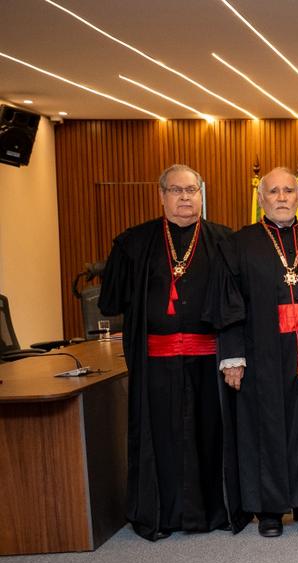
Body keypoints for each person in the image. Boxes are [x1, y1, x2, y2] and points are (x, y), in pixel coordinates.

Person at [98, 164, 242, 540]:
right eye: (176, 190)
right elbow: (110, 302)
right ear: (161, 195)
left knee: (209, 437)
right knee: (160, 438)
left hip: (209, 363)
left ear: (201, 195)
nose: (185, 198)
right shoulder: (133, 243)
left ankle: (213, 513)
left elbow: (236, 308)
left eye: (191, 190)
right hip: (155, 366)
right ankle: (164, 513)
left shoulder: (224, 241)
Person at [207, 166, 298, 538]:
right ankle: (269, 509)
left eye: (289, 191)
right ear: (261, 198)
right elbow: (228, 304)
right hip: (262, 352)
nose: (282, 197)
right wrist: (232, 356)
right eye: (274, 191)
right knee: (266, 428)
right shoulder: (239, 244)